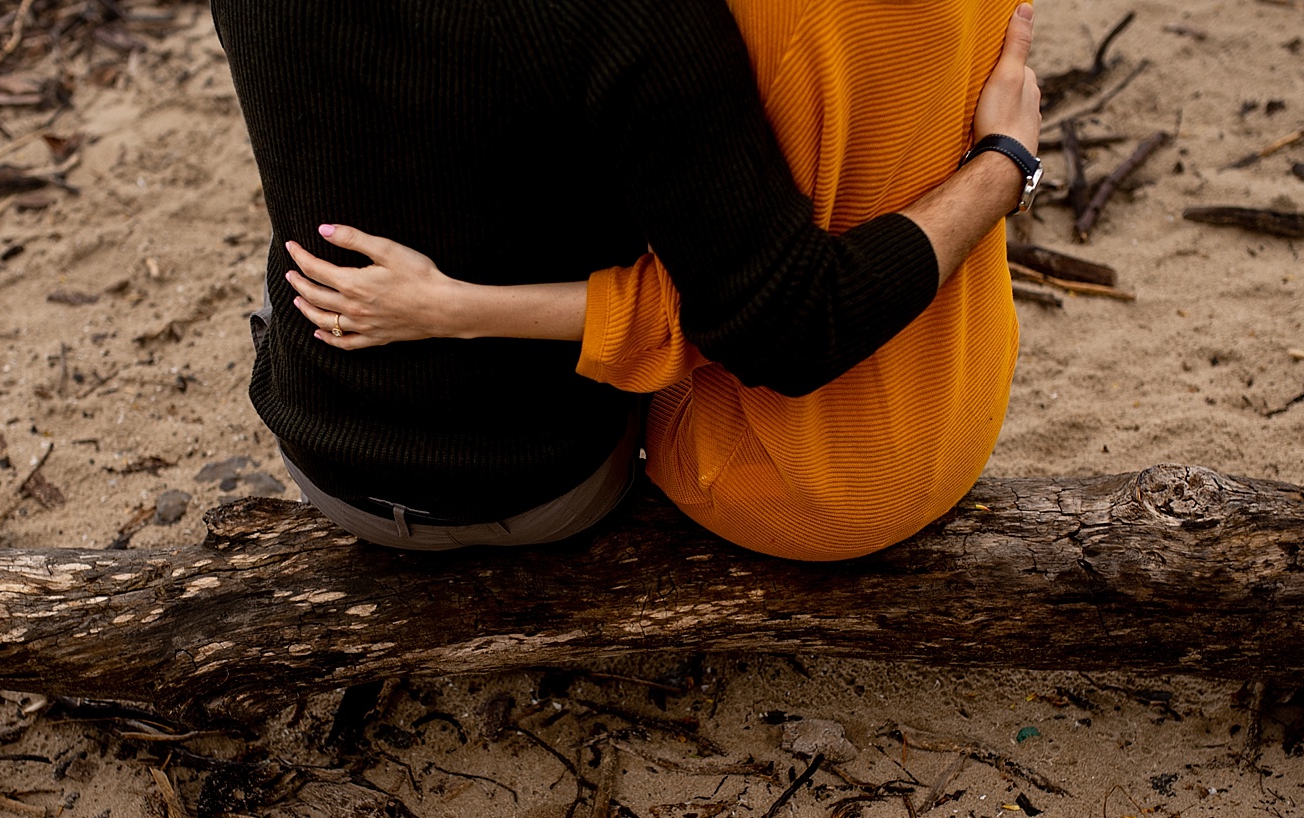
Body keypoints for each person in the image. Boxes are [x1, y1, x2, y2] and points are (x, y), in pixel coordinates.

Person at [210, 0, 1039, 552]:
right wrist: (1005, 165)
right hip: (547, 484)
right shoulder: (641, 14)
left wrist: (453, 306)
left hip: (324, 459)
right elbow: (783, 319)